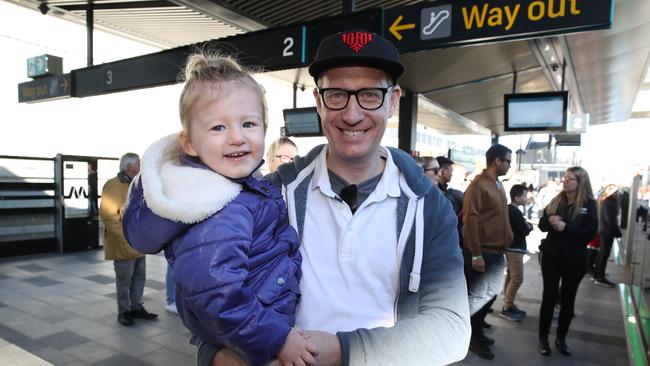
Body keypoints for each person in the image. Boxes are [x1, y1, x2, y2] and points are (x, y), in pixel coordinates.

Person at [189, 29, 470, 366]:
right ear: (319, 102)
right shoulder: (272, 195)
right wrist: (220, 358)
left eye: (369, 95)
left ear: (393, 101)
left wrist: (341, 352)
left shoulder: (429, 207)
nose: (352, 115)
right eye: (337, 95)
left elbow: (451, 329)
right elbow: (207, 298)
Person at [121, 53, 316, 366]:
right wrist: (278, 339)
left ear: (265, 128)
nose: (237, 137)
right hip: (255, 341)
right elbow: (217, 299)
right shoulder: (218, 207)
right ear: (189, 144)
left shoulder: (236, 189)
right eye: (218, 128)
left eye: (248, 123)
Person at [537, 167, 598, 357]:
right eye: (565, 178)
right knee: (549, 296)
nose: (565, 181)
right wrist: (550, 220)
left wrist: (566, 227)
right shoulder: (558, 200)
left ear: (580, 182)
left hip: (575, 259)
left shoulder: (589, 204)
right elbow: (541, 225)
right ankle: (543, 338)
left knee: (568, 300)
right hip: (552, 256)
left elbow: (589, 234)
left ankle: (561, 339)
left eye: (570, 179)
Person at [462, 143, 513, 360]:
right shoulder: (479, 185)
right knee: (477, 296)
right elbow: (470, 219)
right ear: (497, 161)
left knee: (490, 293)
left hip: (497, 250)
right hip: (483, 251)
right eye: (508, 161)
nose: (510, 165)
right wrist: (475, 253)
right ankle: (471, 337)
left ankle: (478, 330)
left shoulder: (498, 185)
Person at [100, 152, 158, 326]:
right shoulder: (112, 185)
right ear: (129, 167)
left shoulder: (139, 184)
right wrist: (128, 237)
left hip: (139, 243)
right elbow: (109, 217)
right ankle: (123, 311)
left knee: (140, 277)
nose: (142, 167)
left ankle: (136, 307)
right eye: (139, 164)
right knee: (124, 280)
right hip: (124, 243)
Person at [500, 184, 533, 321]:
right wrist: (528, 226)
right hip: (515, 248)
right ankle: (508, 307)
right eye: (524, 196)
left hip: (512, 247)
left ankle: (509, 303)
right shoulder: (513, 211)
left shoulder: (511, 209)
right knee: (517, 278)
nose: (526, 198)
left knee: (511, 276)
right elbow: (524, 229)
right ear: (517, 197)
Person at [592, 184, 622, 287]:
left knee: (602, 253)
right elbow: (611, 220)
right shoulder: (608, 202)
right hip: (607, 231)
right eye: (616, 192)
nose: (617, 194)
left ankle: (597, 274)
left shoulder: (604, 201)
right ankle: (600, 276)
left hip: (604, 230)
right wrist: (618, 232)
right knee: (604, 254)